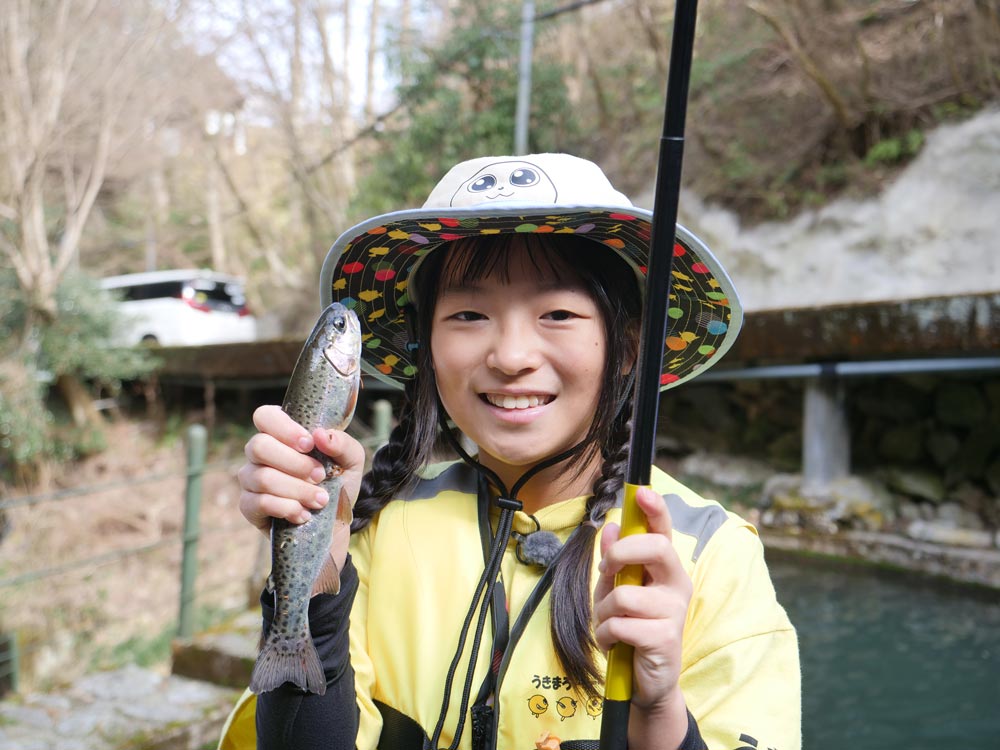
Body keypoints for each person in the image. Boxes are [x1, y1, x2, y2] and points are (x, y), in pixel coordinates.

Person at [218, 153, 800, 750]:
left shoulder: (714, 556)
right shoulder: (368, 529)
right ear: (427, 348)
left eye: (558, 313)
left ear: (627, 347)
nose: (511, 355)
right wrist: (317, 566)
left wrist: (660, 712)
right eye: (469, 314)